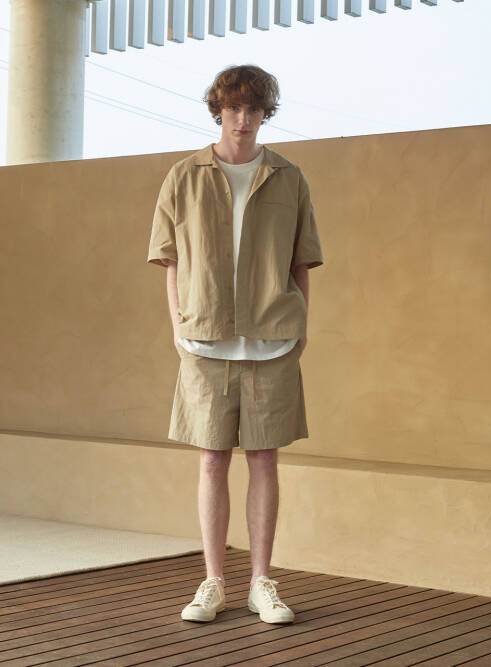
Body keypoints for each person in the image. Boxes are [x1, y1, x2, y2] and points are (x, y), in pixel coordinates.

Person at [147, 64, 324, 624]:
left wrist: (300, 327)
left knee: (265, 459)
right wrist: (177, 325)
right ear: (218, 110)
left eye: (253, 109)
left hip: (273, 340)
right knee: (211, 459)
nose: (242, 119)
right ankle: (214, 582)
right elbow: (170, 261)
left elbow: (302, 261)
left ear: (265, 113)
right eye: (233, 108)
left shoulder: (289, 177)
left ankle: (261, 583)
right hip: (204, 342)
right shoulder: (184, 176)